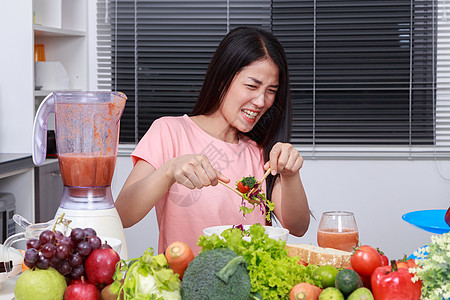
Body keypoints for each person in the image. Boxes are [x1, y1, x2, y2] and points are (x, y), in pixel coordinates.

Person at [115, 26, 310, 255]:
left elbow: (297, 227)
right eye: (252, 86)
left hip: (250, 288)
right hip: (187, 286)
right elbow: (122, 215)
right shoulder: (170, 131)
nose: (261, 101)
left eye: (271, 90)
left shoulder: (261, 153)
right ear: (222, 79)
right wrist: (168, 172)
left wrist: (291, 174)